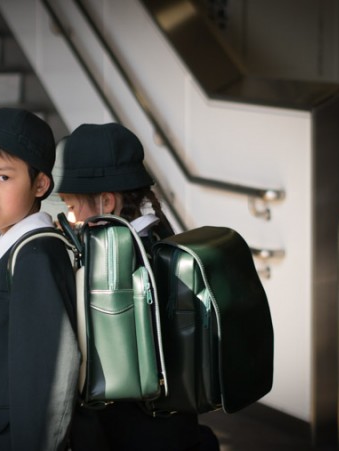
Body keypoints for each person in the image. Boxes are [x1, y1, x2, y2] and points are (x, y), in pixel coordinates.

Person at [54, 122, 219, 451]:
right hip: (175, 427)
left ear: (107, 202)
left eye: (71, 207)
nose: (69, 219)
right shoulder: (163, 244)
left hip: (121, 430)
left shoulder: (114, 266)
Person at [0, 108, 79, 450]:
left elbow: (47, 378)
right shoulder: (14, 249)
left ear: (40, 184)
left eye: (3, 177)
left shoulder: (36, 255)